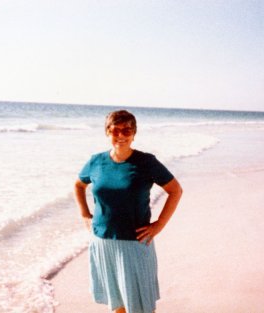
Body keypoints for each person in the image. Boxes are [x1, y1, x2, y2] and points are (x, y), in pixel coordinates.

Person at [74, 110, 183, 313]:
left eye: (127, 130)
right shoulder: (96, 161)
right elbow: (79, 186)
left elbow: (175, 190)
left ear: (134, 133)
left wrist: (159, 224)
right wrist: (85, 215)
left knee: (142, 306)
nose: (121, 135)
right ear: (107, 132)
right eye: (115, 130)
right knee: (117, 305)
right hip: (102, 242)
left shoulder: (146, 162)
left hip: (135, 243)